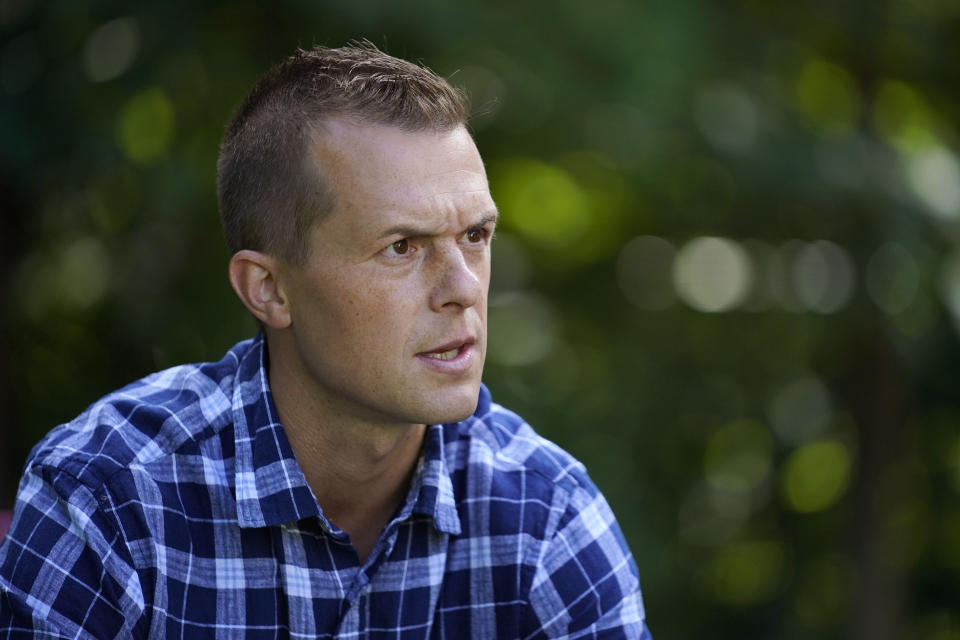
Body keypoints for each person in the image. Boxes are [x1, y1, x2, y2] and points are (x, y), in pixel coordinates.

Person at [0, 44, 651, 638]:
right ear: (268, 290)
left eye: (476, 238)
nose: (463, 288)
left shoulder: (547, 516)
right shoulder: (106, 499)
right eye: (402, 247)